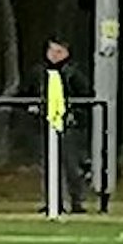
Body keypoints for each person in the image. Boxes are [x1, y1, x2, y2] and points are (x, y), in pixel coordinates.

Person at [33, 38, 90, 214]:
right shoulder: (40, 72)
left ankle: (76, 201)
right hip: (46, 123)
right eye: (52, 51)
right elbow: (30, 92)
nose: (54, 55)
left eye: (59, 52)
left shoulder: (73, 73)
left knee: (71, 164)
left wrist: (75, 114)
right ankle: (53, 201)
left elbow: (86, 95)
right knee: (49, 164)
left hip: (68, 125)